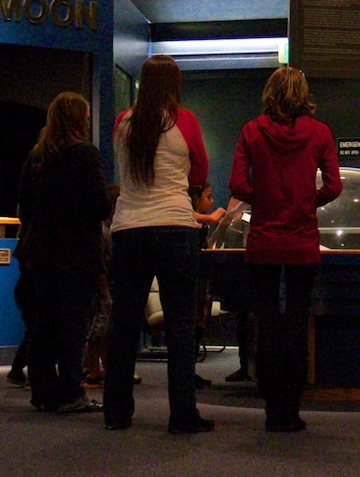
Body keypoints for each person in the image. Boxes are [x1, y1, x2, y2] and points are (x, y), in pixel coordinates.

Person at [103, 55, 213, 434]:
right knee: (181, 325)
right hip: (175, 227)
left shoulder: (122, 122)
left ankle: (116, 413)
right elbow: (200, 171)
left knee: (124, 324)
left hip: (129, 228)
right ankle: (183, 416)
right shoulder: (184, 120)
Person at [229, 66, 342, 432]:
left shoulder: (251, 130)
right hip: (302, 240)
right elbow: (335, 186)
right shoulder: (319, 132)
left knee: (266, 322)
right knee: (295, 322)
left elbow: (235, 184)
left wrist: (261, 200)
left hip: (263, 240)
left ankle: (270, 407)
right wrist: (309, 200)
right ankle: (290, 409)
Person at [16, 92, 110, 414]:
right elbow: (99, 204)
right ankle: (71, 391)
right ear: (78, 119)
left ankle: (42, 392)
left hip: (39, 252)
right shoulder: (85, 154)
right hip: (76, 252)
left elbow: (24, 208)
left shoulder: (35, 158)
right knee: (74, 325)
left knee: (43, 325)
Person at [81, 184, 121, 389]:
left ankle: (92, 368)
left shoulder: (107, 228)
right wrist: (104, 292)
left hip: (103, 284)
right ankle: (92, 373)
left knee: (103, 330)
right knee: (98, 330)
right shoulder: (102, 230)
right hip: (101, 285)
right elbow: (100, 264)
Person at [189, 182, 226, 388]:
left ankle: (190, 369)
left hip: (201, 277)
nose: (211, 202)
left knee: (199, 323)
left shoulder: (202, 224)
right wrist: (220, 214)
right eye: (208, 197)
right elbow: (208, 218)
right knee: (192, 323)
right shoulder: (189, 217)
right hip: (192, 279)